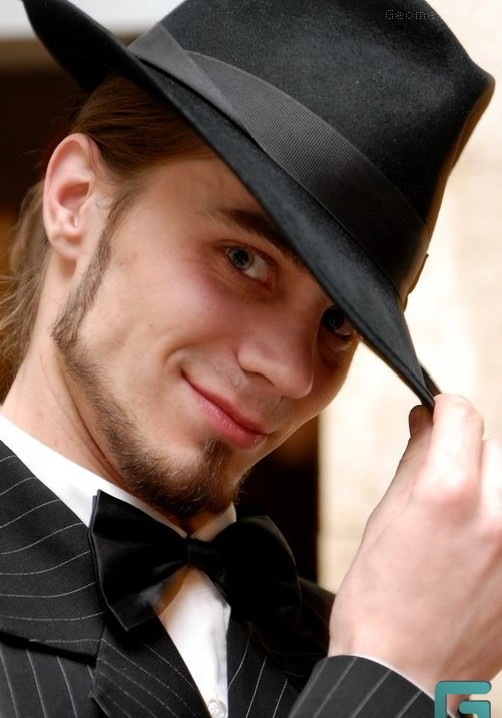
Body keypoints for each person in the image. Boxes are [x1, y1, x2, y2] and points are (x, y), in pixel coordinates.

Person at [0, 0, 500, 716]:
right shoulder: (391, 655)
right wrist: (392, 674)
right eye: (243, 258)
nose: (292, 372)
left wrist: (440, 683)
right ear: (77, 199)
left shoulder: (358, 638)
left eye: (338, 322)